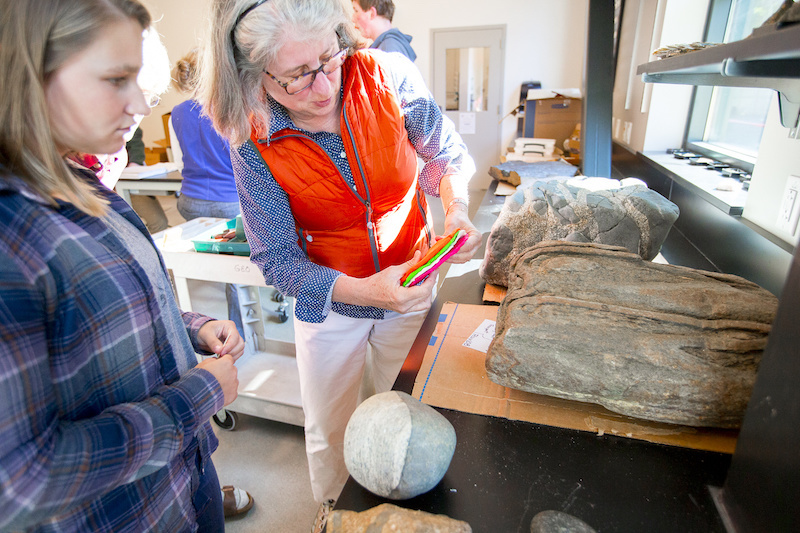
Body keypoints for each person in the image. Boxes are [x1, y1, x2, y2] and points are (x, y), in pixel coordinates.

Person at [199, 0, 480, 530]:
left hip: (411, 279)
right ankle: (334, 514)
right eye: (296, 78)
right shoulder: (252, 136)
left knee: (412, 406)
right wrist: (367, 291)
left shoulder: (388, 74)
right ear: (256, 76)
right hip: (330, 302)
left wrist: (456, 207)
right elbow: (277, 260)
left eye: (328, 60)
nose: (323, 88)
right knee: (330, 426)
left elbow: (442, 152)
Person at [0, 1, 246, 531]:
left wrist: (194, 328)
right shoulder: (11, 234)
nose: (139, 106)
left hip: (183, 480)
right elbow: (20, 483)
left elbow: (112, 312)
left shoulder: (84, 188)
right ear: (29, 72)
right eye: (116, 79)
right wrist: (199, 395)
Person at [170, 48, 245, 340]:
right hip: (229, 201)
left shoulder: (176, 113)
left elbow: (179, 163)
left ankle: (206, 326)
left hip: (190, 201)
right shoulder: (224, 107)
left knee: (204, 273)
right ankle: (236, 332)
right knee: (236, 273)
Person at [351, 0, 416, 61]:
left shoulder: (388, 50)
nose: (353, 19)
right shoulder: (393, 45)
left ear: (372, 13)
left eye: (356, 11)